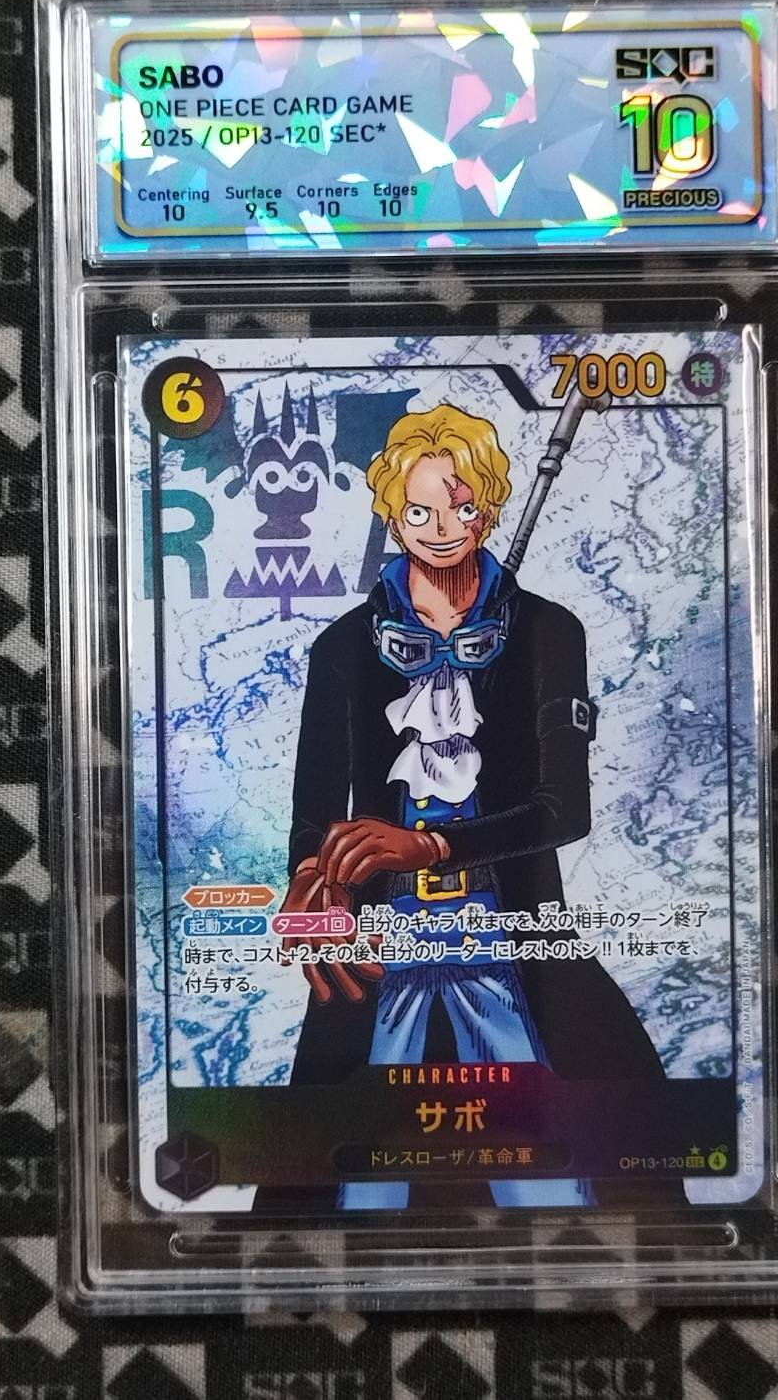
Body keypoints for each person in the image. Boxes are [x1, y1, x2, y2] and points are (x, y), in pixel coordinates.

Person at [279, 404, 664, 1210]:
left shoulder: (547, 632)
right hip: (380, 946)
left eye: (459, 507)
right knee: (350, 1193)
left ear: (487, 507)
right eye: (418, 512)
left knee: (558, 1185)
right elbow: (314, 808)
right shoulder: (343, 647)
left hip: (510, 934)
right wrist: (313, 882)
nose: (441, 529)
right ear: (392, 514)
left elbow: (565, 808)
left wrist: (430, 847)